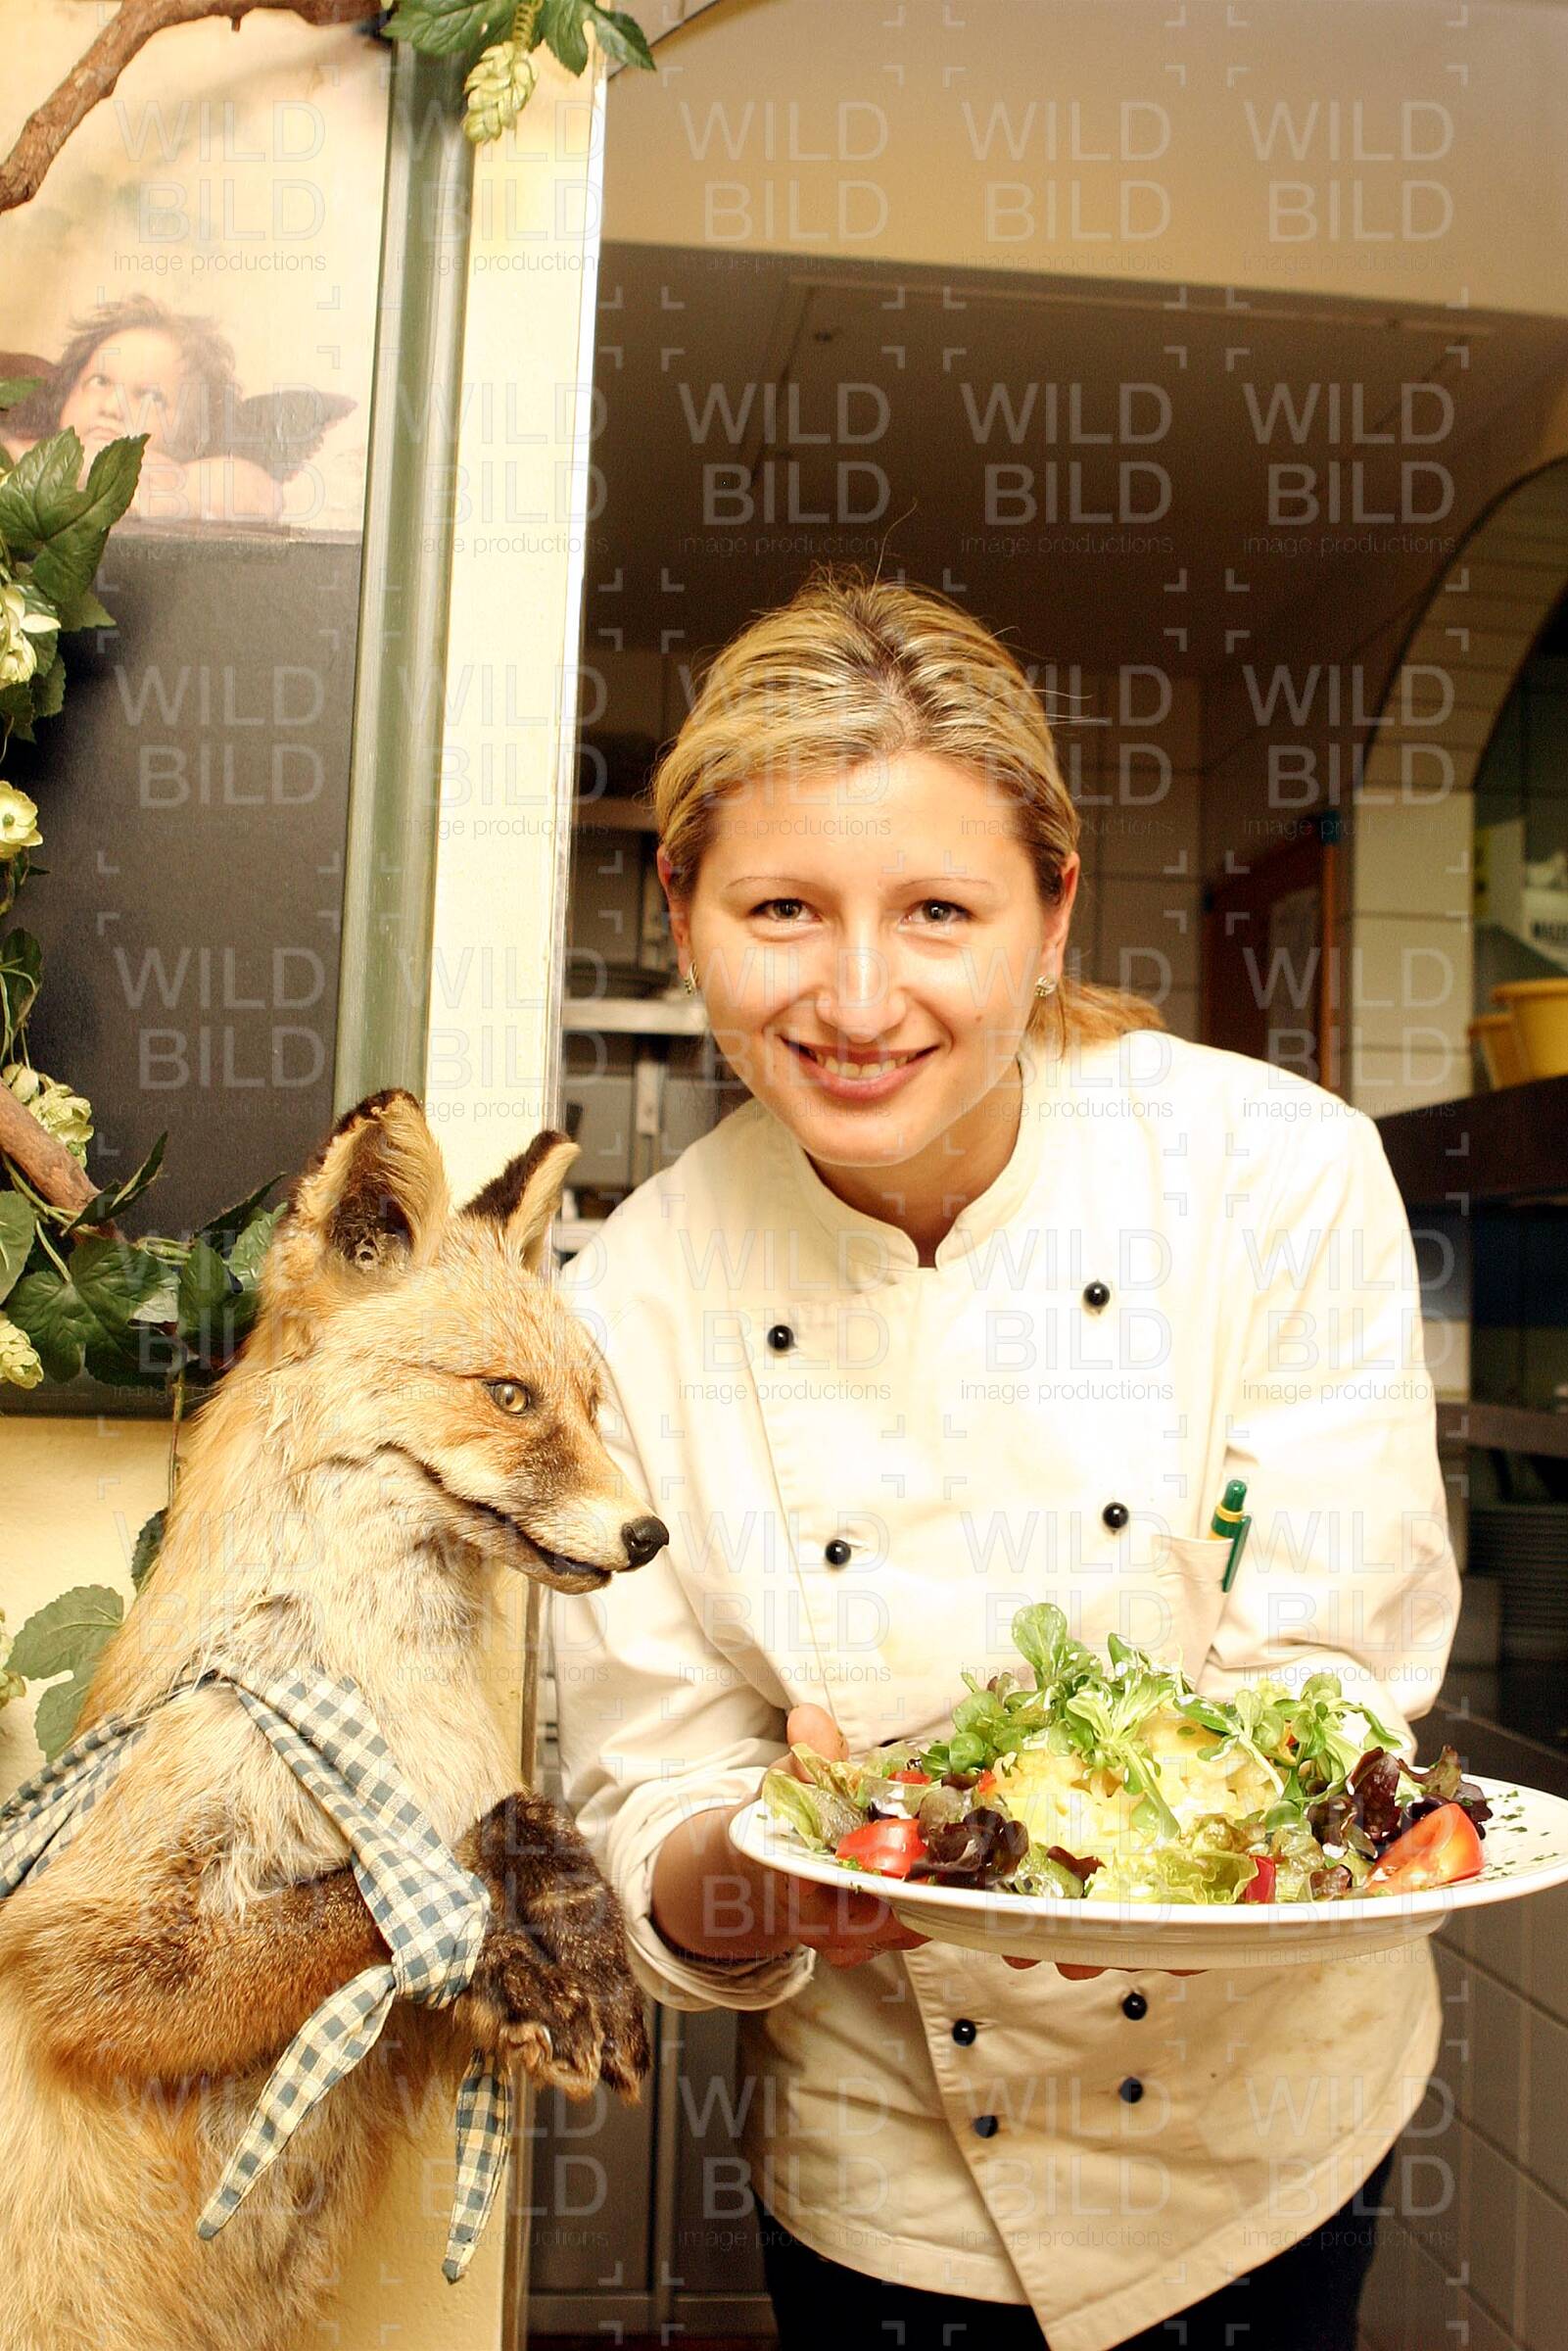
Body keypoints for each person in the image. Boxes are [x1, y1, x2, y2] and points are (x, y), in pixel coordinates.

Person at [551, 563, 1459, 2351]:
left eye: (939, 912)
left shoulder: (1277, 1175)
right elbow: (649, 1799)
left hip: (1265, 2149)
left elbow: (1338, 1676)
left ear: (1051, 914)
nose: (857, 998)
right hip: (889, 2179)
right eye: (783, 908)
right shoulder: (626, 1304)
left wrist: (1130, 1853)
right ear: (682, 911)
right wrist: (775, 1869)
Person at [1, 298, 338, 527]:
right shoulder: (23, 448)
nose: (112, 407)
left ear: (193, 435)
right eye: (99, 381)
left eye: (150, 397)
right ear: (65, 394)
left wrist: (161, 487)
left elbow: (262, 495)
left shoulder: (190, 475)